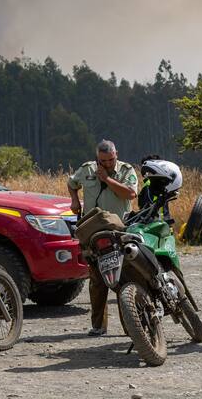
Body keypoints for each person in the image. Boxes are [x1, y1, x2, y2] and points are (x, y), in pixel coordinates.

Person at [68, 140, 138, 336]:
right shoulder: (86, 169)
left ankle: (131, 327)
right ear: (97, 158)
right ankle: (98, 326)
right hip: (93, 231)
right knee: (97, 279)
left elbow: (130, 194)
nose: (107, 163)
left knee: (124, 278)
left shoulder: (126, 170)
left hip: (119, 229)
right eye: (102, 161)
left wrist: (107, 179)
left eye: (110, 160)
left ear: (116, 155)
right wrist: (74, 200)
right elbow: (71, 183)